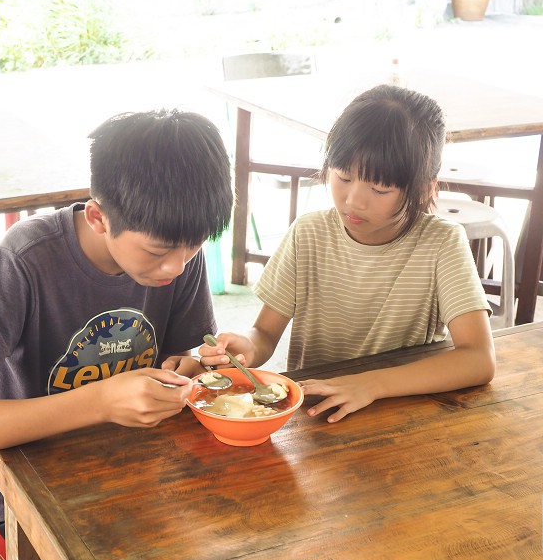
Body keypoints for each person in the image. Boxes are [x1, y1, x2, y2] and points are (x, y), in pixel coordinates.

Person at [0, 109, 234, 534]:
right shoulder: (27, 260)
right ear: (98, 217)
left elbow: (182, 354)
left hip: (145, 466)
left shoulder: (176, 250)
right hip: (35, 481)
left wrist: (189, 366)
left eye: (193, 247)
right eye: (158, 252)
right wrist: (102, 402)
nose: (176, 268)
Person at [199, 84, 496, 423]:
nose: (354, 200)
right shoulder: (308, 233)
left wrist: (370, 385)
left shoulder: (441, 243)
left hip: (403, 411)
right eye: (343, 177)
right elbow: (265, 334)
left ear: (425, 189)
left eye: (380, 188)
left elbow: (479, 360)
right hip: (318, 414)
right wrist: (249, 346)